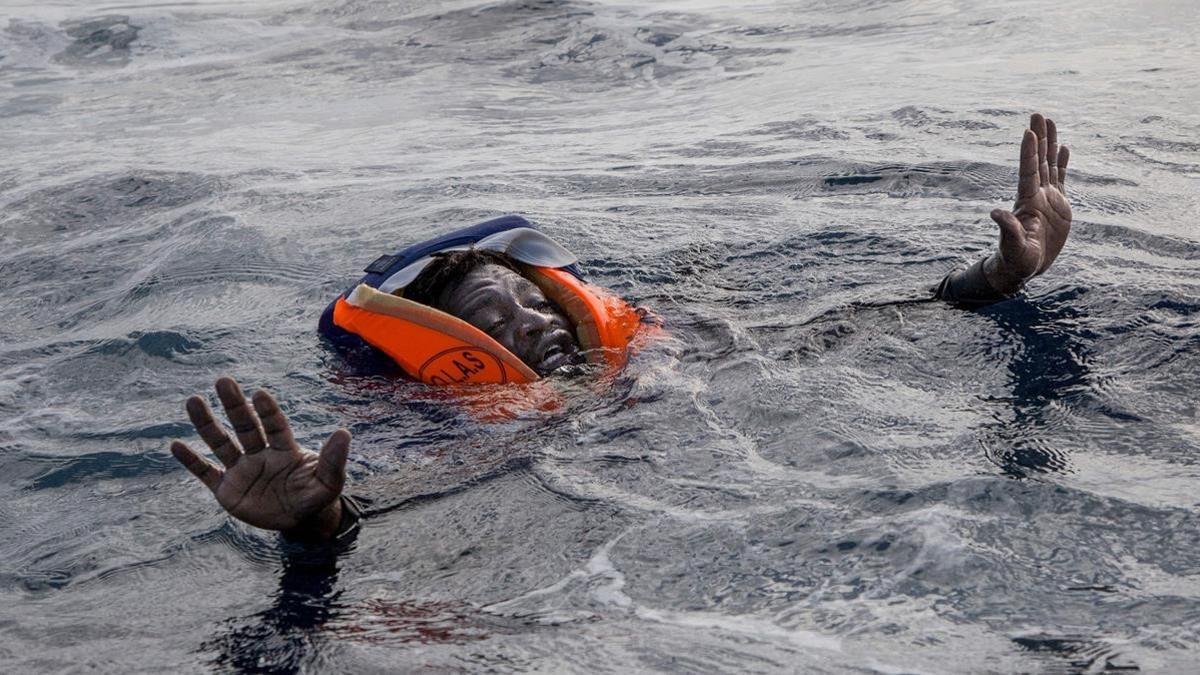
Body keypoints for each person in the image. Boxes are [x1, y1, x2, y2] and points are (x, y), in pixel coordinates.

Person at [169, 113, 1072, 544]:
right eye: (492, 318)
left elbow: (853, 325)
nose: (530, 321)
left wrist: (997, 275)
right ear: (456, 358)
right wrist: (315, 520)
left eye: (531, 299)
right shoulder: (489, 447)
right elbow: (387, 502)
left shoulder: (681, 360)